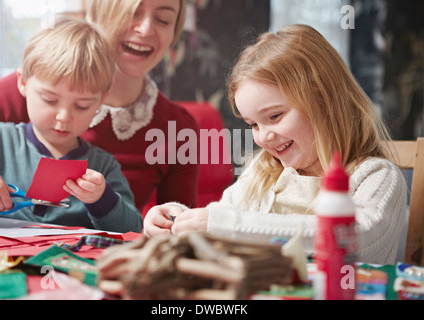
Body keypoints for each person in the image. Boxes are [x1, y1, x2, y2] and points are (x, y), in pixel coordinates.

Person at [142, 24, 407, 265]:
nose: (263, 137)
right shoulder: (263, 171)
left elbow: (357, 239)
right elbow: (221, 216)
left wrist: (223, 224)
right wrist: (177, 220)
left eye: (275, 116)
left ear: (325, 101)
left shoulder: (376, 176)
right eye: (253, 124)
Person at [0, 0, 200, 213]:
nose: (146, 29)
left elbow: (180, 231)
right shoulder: (24, 92)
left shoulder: (179, 128)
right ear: (99, 12)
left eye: (163, 20)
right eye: (132, 12)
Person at [0, 17, 142, 233]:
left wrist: (102, 199)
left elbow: (134, 230)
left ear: (101, 101)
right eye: (50, 100)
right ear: (23, 82)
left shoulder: (103, 167)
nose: (64, 117)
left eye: (82, 106)